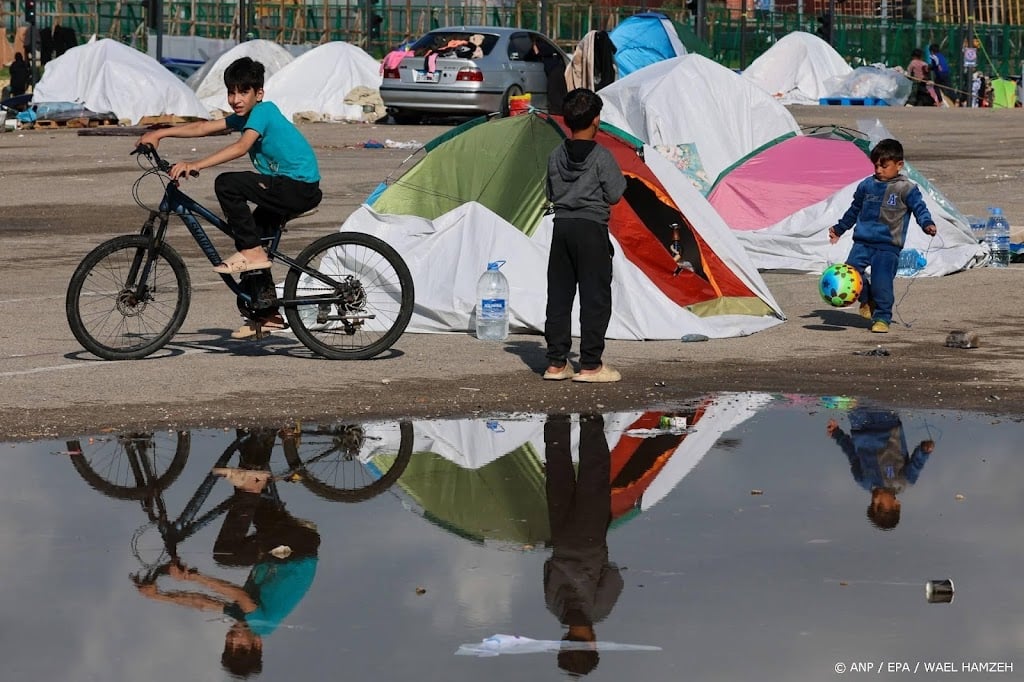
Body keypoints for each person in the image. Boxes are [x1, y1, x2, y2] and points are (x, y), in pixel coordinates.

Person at [137, 57, 322, 339]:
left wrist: (196, 164)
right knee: (247, 235)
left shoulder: (264, 111)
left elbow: (241, 146)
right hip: (285, 186)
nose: (235, 99)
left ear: (258, 93)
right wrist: (161, 133)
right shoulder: (246, 116)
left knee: (228, 184)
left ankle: (253, 254)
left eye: (243, 92)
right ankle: (268, 313)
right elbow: (204, 128)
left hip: (298, 186)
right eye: (231, 92)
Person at [135, 428, 320, 678]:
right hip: (295, 548)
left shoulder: (243, 618)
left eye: (228, 646)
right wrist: (193, 576)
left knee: (249, 492)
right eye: (240, 648)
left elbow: (201, 603)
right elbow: (237, 593)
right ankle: (252, 482)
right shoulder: (261, 624)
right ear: (257, 645)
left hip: (285, 546)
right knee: (226, 554)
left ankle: (258, 436)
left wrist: (160, 597)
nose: (232, 640)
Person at [543, 88, 626, 382]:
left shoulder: (555, 155)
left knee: (559, 297)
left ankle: (556, 363)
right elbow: (615, 194)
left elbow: (550, 192)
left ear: (567, 122)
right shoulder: (602, 157)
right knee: (595, 298)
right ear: (596, 120)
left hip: (562, 229)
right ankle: (590, 365)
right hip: (591, 231)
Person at [828, 138, 937, 333]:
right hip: (862, 242)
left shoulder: (906, 188)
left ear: (899, 165)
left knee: (882, 283)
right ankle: (867, 298)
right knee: (851, 274)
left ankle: (882, 318)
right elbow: (854, 210)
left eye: (884, 166)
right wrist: (839, 228)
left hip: (888, 246)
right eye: (876, 165)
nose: (878, 170)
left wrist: (927, 224)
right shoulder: (866, 185)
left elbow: (920, 209)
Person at [543, 413, 623, 676]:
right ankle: (556, 421)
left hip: (591, 540)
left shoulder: (598, 610)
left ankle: (591, 421)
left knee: (594, 475)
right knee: (558, 474)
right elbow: (547, 569)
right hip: (561, 538)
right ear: (563, 643)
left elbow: (613, 577)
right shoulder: (555, 607)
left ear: (593, 643)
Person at [827, 409, 934, 530]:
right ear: (896, 505)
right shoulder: (903, 482)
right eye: (881, 505)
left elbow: (852, 454)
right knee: (878, 399)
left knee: (855, 399)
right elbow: (917, 463)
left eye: (873, 504)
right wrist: (924, 450)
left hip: (859, 425)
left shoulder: (863, 480)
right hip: (887, 423)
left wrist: (837, 433)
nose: (875, 499)